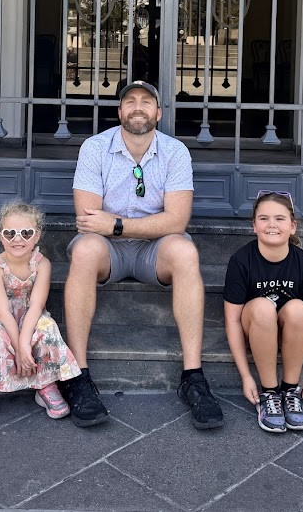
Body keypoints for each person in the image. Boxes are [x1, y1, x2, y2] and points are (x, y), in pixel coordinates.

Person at [61, 80, 224, 430]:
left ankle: (193, 378)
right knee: (86, 250)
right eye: (130, 101)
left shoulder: (175, 151)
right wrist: (120, 227)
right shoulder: (94, 147)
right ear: (120, 111)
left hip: (154, 251)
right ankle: (76, 376)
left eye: (146, 102)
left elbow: (178, 220)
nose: (138, 107)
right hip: (108, 251)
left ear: (158, 113)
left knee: (184, 250)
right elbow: (90, 220)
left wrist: (117, 225)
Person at [0, 200, 80, 425]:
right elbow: (3, 312)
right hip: (0, 319)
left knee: (47, 327)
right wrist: (19, 349)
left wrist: (25, 344)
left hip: (30, 316)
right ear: (1, 237)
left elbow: (36, 306)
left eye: (26, 233)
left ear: (37, 236)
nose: (18, 239)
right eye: (10, 233)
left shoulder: (41, 264)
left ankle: (45, 384)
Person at [223, 191, 303, 433]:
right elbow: (232, 321)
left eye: (279, 219)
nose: (272, 225)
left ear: (292, 227)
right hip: (256, 328)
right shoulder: (241, 261)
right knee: (262, 306)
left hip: (291, 331)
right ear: (254, 226)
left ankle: (290, 390)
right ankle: (269, 393)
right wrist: (246, 376)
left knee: (300, 309)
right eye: (264, 218)